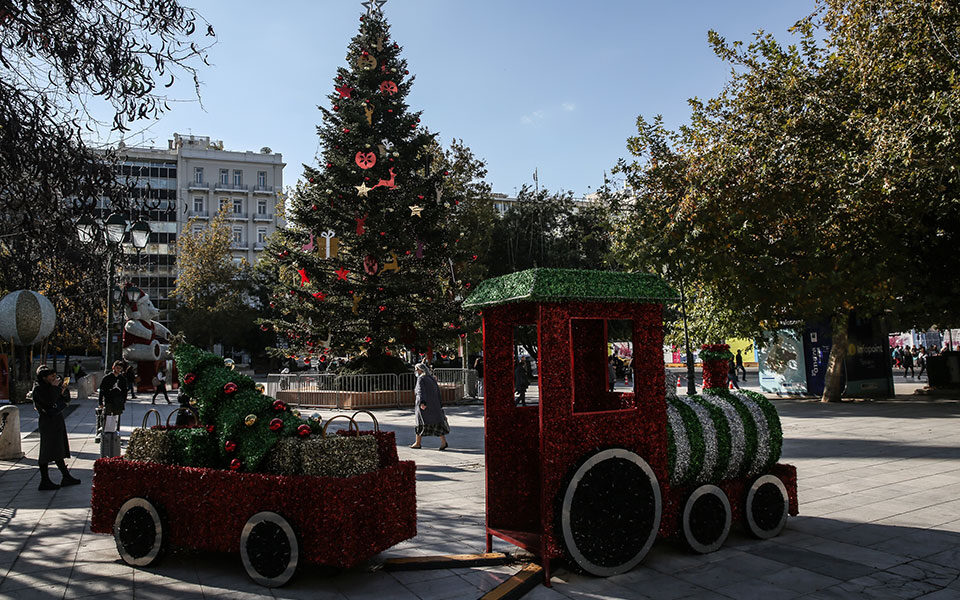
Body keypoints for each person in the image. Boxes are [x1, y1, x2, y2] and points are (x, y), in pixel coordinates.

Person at [32, 366, 81, 490]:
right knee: (46, 450)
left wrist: (63, 390)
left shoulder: (52, 388)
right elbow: (49, 402)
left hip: (57, 420)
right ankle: (44, 480)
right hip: (47, 422)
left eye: (55, 376)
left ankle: (66, 476)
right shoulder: (39, 389)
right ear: (44, 377)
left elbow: (64, 400)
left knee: (58, 449)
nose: (54, 378)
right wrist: (55, 388)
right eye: (51, 376)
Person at [410, 363, 449, 450]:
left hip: (425, 406)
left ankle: (418, 443)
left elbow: (420, 391)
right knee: (437, 423)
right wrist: (439, 403)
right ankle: (443, 442)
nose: (416, 371)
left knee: (420, 423)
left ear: (421, 370)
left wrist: (422, 402)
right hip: (435, 405)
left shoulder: (421, 379)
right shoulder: (431, 378)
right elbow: (437, 391)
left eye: (416, 369)